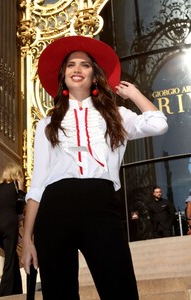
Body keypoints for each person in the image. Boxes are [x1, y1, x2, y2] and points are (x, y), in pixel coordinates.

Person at [21, 35, 168, 300]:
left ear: (95, 75)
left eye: (85, 65)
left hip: (101, 205)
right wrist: (28, 239)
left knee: (120, 288)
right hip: (55, 209)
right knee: (59, 294)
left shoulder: (116, 115)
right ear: (63, 75)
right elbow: (38, 183)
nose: (77, 69)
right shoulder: (47, 123)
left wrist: (132, 93)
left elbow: (158, 124)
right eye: (71, 65)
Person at [0, 162, 25, 297]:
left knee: (12, 257)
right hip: (9, 224)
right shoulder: (16, 186)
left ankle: (17, 290)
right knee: (9, 259)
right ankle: (4, 294)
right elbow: (20, 205)